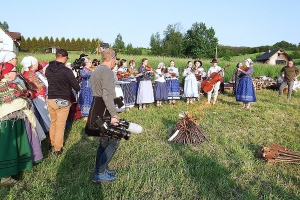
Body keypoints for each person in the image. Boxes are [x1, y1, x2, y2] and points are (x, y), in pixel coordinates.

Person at [0, 62, 44, 185]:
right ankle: (5, 176)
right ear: (7, 74)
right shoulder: (9, 86)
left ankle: (12, 170)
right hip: (9, 123)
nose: (16, 72)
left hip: (13, 121)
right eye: (14, 71)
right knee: (7, 147)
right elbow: (20, 101)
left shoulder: (12, 85)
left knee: (12, 147)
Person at [85, 49, 120, 183]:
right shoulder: (108, 72)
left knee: (104, 141)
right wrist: (114, 115)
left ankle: (101, 169)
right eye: (115, 59)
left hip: (96, 108)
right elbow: (106, 96)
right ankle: (100, 172)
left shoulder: (97, 70)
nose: (115, 62)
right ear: (111, 58)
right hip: (104, 111)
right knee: (115, 140)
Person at [45, 49, 80, 155]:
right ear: (65, 58)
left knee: (53, 123)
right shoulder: (66, 71)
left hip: (51, 98)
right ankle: (57, 148)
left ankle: (51, 143)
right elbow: (76, 87)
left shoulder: (48, 69)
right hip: (63, 99)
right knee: (60, 125)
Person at [20, 56, 51, 133]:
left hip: (35, 96)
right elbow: (40, 87)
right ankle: (49, 129)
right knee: (45, 114)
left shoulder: (26, 72)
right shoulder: (31, 74)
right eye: (37, 63)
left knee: (41, 114)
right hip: (38, 97)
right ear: (33, 65)